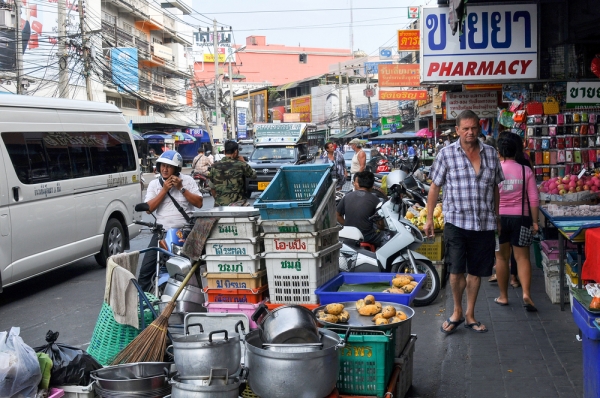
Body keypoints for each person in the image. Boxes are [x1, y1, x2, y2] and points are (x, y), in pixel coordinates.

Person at [424, 110, 504, 334]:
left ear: (479, 128)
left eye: (474, 128)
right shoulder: (446, 154)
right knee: (456, 270)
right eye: (465, 128)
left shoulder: (490, 153)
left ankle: (470, 314)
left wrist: (497, 217)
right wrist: (429, 219)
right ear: (457, 130)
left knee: (477, 272)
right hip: (456, 222)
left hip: (484, 222)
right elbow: (434, 187)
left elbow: (495, 188)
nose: (470, 132)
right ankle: (457, 311)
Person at [138, 150, 204, 292]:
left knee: (192, 268)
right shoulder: (154, 184)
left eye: (169, 166)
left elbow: (199, 203)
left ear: (177, 168)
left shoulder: (188, 181)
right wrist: (163, 190)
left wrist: (181, 189)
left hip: (185, 233)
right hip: (162, 233)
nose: (165, 169)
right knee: (146, 270)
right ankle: (141, 301)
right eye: (162, 165)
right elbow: (148, 209)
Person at [493, 133, 539, 311]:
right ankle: (526, 293)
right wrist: (535, 222)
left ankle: (503, 296)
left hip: (499, 219)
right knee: (523, 258)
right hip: (522, 217)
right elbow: (533, 198)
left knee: (501, 258)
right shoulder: (525, 170)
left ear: (500, 151)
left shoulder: (495, 170)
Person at [336, 171, 384, 247]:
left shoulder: (347, 196)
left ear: (358, 183)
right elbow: (380, 225)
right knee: (385, 237)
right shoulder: (375, 199)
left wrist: (347, 225)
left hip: (349, 235)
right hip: (367, 237)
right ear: (372, 185)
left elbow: (337, 215)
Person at [209, 140, 256, 206]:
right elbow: (253, 175)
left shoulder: (214, 166)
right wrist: (244, 162)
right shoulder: (241, 165)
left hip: (220, 207)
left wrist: (220, 201)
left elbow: (212, 188)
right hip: (238, 206)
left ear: (224, 152)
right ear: (236, 152)